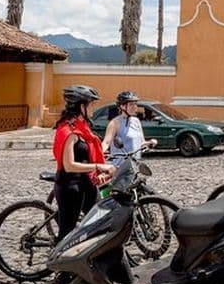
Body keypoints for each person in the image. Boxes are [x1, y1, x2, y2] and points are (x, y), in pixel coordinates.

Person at [52, 84, 116, 240]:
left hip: (86, 183)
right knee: (66, 233)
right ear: (81, 106)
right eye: (91, 104)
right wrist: (98, 166)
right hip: (70, 186)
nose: (93, 108)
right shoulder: (68, 131)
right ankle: (55, 264)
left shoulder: (84, 128)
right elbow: (69, 165)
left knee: (100, 221)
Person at [101, 91, 157, 165]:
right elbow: (106, 143)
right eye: (131, 105)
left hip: (135, 165)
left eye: (135, 104)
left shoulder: (136, 121)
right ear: (122, 106)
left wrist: (150, 142)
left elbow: (141, 143)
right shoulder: (115, 123)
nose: (135, 107)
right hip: (120, 166)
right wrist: (97, 155)